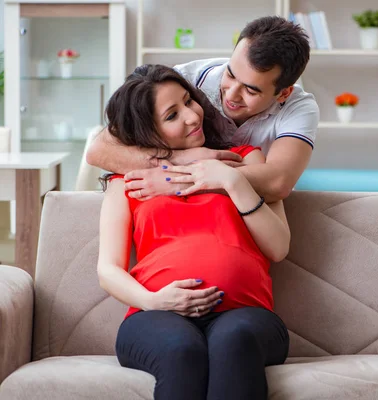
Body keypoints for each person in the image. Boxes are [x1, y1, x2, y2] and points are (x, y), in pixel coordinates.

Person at [97, 64, 290, 400]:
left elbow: (278, 247)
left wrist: (230, 179)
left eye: (189, 101)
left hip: (245, 314)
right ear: (147, 132)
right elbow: (108, 269)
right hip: (156, 315)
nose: (191, 116)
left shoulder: (246, 160)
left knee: (234, 341)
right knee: (180, 349)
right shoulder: (127, 182)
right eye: (172, 115)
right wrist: (153, 301)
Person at [87, 15, 318, 203]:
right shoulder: (185, 80)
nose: (232, 94)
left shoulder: (299, 107)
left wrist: (178, 181)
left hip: (250, 208)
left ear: (284, 93)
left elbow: (278, 182)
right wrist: (182, 158)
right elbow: (99, 150)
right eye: (230, 74)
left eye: (251, 90)